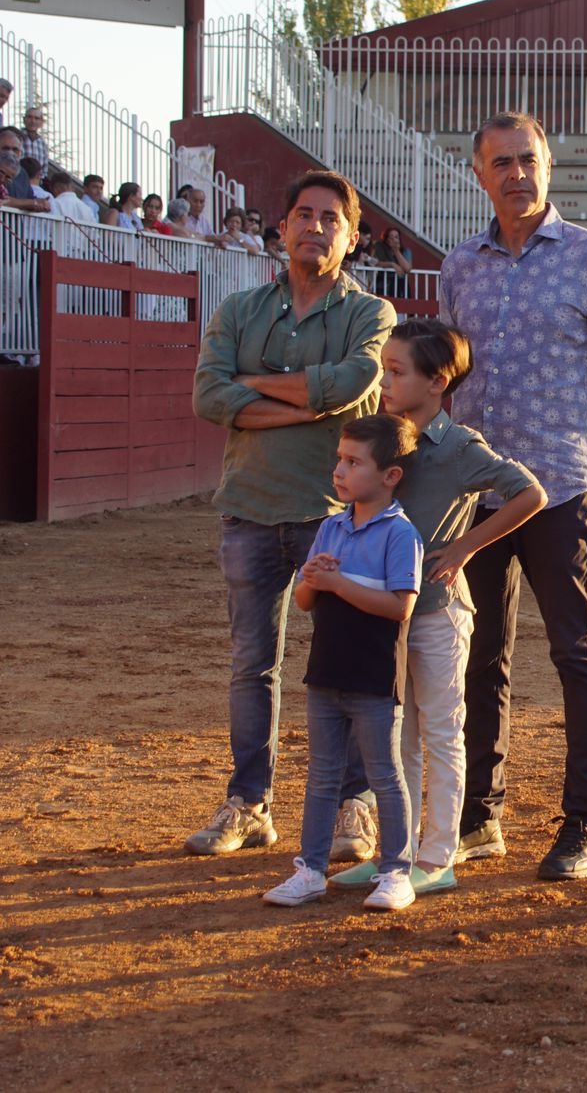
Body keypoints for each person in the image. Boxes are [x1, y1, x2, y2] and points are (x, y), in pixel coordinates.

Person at [439, 112, 587, 880]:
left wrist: (581, 457)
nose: (517, 174)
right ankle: (480, 817)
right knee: (477, 656)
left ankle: (586, 823)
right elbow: (452, 380)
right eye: (501, 162)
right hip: (479, 496)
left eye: (529, 159)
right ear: (479, 174)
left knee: (578, 652)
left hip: (560, 489)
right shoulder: (460, 266)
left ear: (549, 166)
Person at [187, 169, 398, 859]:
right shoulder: (241, 308)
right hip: (249, 508)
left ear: (351, 237)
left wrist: (254, 387)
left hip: (334, 515)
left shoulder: (370, 314)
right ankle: (250, 804)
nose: (314, 226)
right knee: (253, 663)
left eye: (330, 218)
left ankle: (354, 806)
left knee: (350, 665)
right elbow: (208, 396)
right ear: (282, 230)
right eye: (303, 215)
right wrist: (308, 407)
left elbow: (352, 383)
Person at [341, 318, 547, 900]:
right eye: (385, 369)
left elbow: (531, 492)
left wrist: (464, 546)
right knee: (394, 737)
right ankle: (396, 856)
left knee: (439, 732)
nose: (385, 381)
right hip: (384, 611)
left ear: (437, 382)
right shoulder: (382, 437)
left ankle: (438, 856)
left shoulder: (459, 447)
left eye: (397, 372)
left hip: (436, 610)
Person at [261, 414, 425, 913]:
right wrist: (311, 578)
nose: (340, 470)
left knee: (384, 774)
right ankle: (310, 869)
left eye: (354, 462)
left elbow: (401, 606)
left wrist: (336, 584)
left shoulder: (401, 534)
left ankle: (397, 870)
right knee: (322, 774)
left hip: (374, 676)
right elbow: (308, 601)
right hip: (326, 672)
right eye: (340, 459)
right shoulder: (331, 526)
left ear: (390, 475)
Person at [19, 105, 50, 172]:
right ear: (24, 120)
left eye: (36, 118)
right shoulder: (17, 137)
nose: (33, 121)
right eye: (30, 117)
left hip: (36, 181)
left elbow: (45, 167)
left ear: (41, 123)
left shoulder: (43, 144)